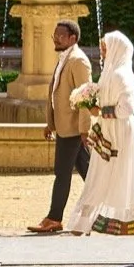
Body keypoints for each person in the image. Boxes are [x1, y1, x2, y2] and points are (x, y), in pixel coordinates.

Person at [66, 29, 134, 236]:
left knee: (120, 173)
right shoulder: (109, 73)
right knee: (97, 172)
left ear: (116, 49)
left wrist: (99, 111)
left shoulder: (123, 76)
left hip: (120, 132)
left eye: (105, 48)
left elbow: (127, 109)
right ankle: (84, 222)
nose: (102, 52)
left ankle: (126, 221)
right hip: (106, 129)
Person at [26, 19, 94, 234]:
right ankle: (109, 213)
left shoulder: (78, 61)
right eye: (54, 36)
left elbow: (86, 97)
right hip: (65, 126)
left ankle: (54, 218)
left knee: (62, 173)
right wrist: (51, 123)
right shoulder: (65, 57)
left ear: (73, 38)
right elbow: (56, 93)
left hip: (74, 129)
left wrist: (85, 129)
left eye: (60, 36)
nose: (55, 39)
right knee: (91, 174)